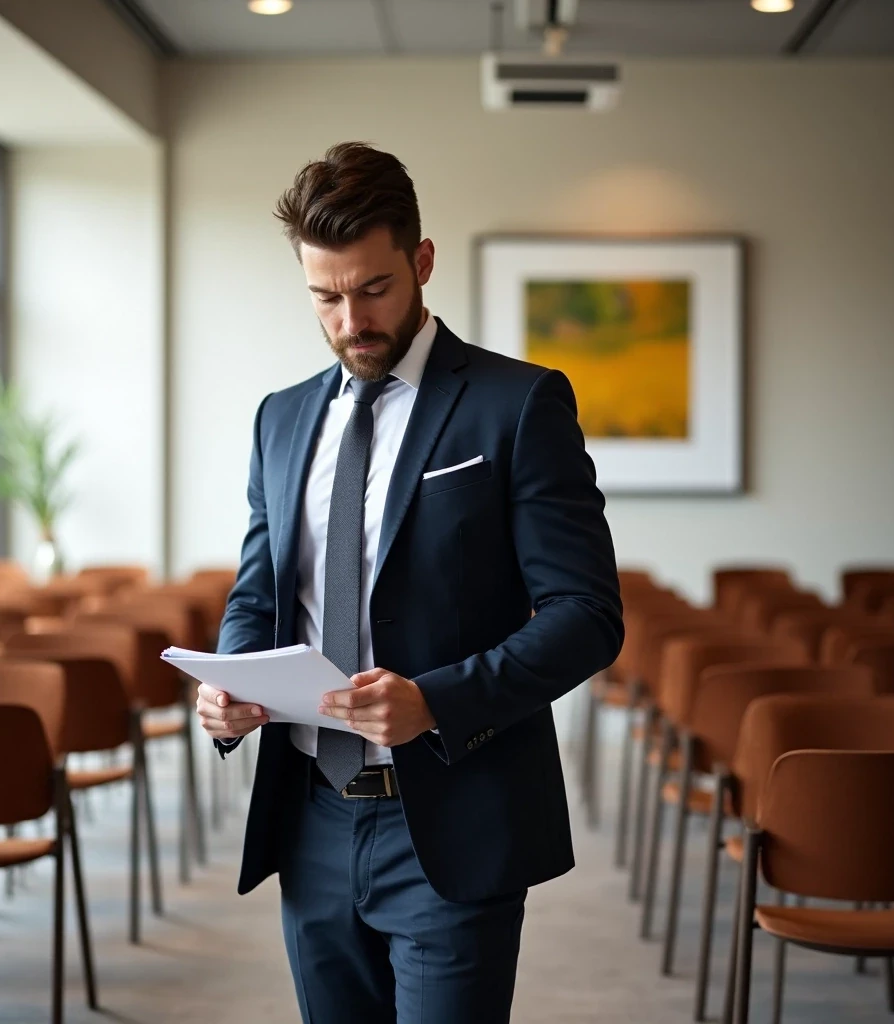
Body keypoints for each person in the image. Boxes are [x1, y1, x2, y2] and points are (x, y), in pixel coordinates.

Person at [196, 141, 623, 1024]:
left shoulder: (519, 404)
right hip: (310, 819)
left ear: (421, 263)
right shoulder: (280, 419)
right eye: (326, 295)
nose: (351, 317)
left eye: (374, 287)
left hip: (453, 818)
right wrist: (231, 683)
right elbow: (257, 593)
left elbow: (587, 616)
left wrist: (436, 699)